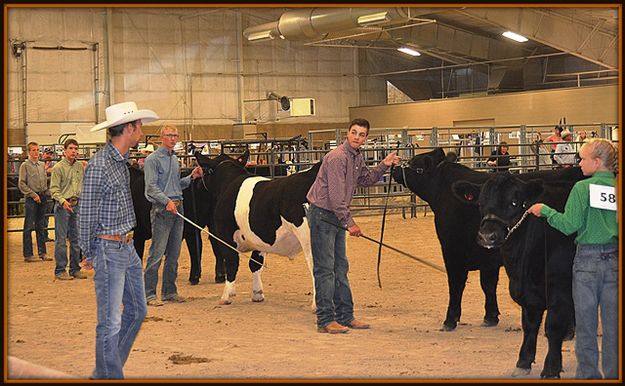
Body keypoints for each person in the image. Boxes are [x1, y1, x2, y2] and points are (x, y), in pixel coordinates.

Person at [527, 138, 618, 379]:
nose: (579, 163)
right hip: (615, 261)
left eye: (583, 158)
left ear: (597, 163)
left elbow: (569, 225)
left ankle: (588, 375)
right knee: (613, 326)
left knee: (586, 326)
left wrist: (544, 210)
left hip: (588, 262)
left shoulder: (582, 188)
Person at [79, 101, 157, 379]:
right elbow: (86, 211)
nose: (142, 130)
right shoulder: (99, 165)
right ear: (129, 128)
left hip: (126, 246)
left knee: (137, 310)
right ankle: (110, 375)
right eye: (139, 125)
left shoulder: (121, 163)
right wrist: (88, 251)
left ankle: (105, 372)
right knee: (110, 321)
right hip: (108, 247)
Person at [306, 118, 400, 334]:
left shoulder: (356, 157)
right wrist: (350, 223)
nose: (357, 137)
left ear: (366, 137)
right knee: (325, 270)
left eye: (362, 134)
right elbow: (337, 196)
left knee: (340, 267)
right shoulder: (338, 158)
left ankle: (345, 316)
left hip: (334, 216)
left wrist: (384, 164)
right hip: (323, 215)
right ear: (347, 134)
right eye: (354, 132)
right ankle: (325, 320)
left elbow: (366, 179)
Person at [143, 125, 202, 306]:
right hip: (162, 210)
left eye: (175, 136)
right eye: (169, 135)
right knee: (157, 253)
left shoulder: (175, 160)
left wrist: (191, 177)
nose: (173, 139)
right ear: (162, 137)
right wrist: (166, 201)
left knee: (174, 254)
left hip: (178, 209)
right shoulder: (152, 160)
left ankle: (169, 291)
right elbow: (151, 187)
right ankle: (149, 294)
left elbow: (177, 185)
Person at [49, 138, 85, 280]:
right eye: (71, 148)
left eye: (76, 149)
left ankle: (75, 268)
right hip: (63, 206)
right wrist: (63, 201)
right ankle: (60, 270)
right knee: (61, 239)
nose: (74, 151)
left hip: (77, 205)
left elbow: (82, 185)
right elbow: (54, 189)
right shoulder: (58, 168)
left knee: (76, 239)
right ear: (64, 151)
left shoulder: (79, 167)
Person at [18, 142, 53, 262]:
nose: (36, 152)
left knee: (41, 225)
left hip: (42, 196)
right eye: (33, 150)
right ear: (29, 152)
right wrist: (33, 195)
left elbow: (45, 182)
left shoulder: (41, 165)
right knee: (28, 226)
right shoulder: (25, 166)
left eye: (37, 150)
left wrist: (46, 193)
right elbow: (22, 183)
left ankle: (42, 252)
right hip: (32, 198)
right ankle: (28, 254)